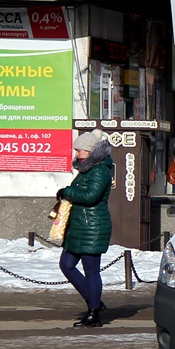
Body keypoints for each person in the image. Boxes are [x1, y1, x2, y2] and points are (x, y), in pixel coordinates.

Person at [57, 129, 114, 328]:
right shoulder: (87, 170)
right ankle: (94, 301)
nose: (77, 154)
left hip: (92, 227)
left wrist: (67, 191)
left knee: (91, 271)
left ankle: (94, 313)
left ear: (90, 151)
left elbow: (90, 196)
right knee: (66, 264)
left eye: (79, 150)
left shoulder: (101, 170)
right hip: (80, 226)